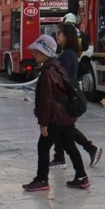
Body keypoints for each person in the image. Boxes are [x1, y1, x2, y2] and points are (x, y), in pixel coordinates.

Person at [22, 34, 90, 191]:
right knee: (70, 145)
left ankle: (42, 180)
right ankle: (81, 177)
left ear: (45, 52)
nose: (33, 54)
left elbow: (47, 101)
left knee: (43, 146)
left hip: (55, 118)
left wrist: (43, 123)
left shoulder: (48, 72)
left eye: (36, 51)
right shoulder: (57, 66)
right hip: (65, 116)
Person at [49, 23, 102, 169]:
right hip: (65, 97)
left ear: (67, 36)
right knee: (62, 128)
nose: (56, 36)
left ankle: (85, 151)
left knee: (63, 128)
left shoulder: (67, 55)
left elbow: (62, 78)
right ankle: (62, 156)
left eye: (59, 33)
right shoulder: (68, 53)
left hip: (64, 98)